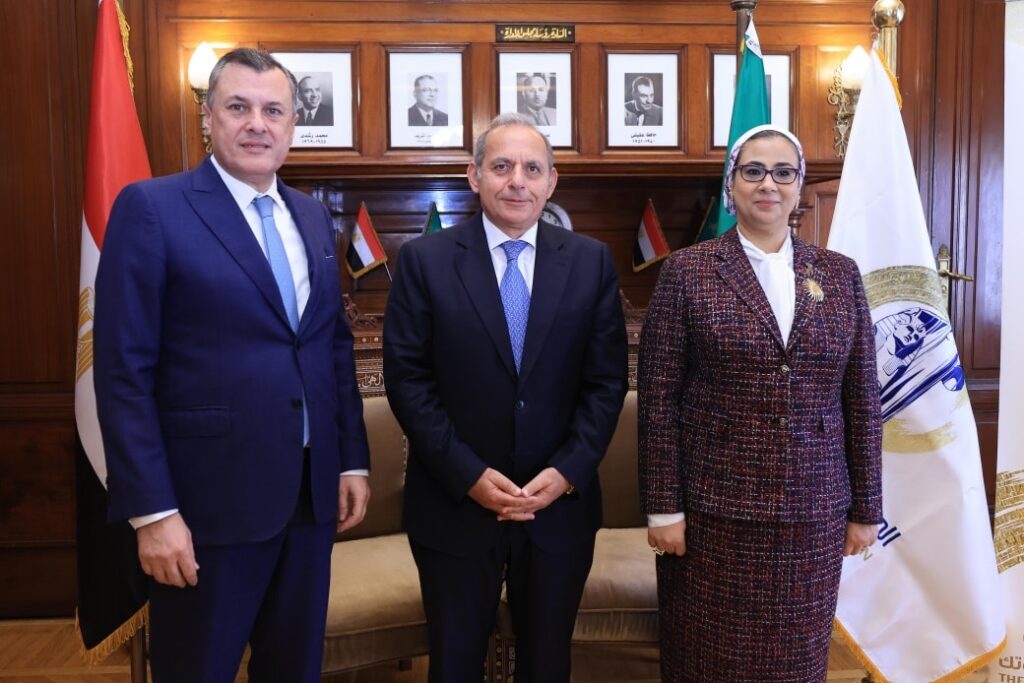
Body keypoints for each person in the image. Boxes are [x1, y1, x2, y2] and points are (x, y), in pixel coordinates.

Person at [93, 48, 371, 682]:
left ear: (293, 124)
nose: (257, 124)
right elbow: (123, 374)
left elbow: (330, 346)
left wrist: (350, 458)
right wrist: (154, 513)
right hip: (205, 510)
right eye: (238, 107)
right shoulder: (152, 209)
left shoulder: (310, 214)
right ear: (207, 118)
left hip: (308, 501)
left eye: (273, 111)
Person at [383, 112, 628, 682]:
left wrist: (566, 473)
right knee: (454, 664)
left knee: (547, 664)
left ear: (551, 181)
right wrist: (468, 474)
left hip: (557, 508)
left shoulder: (591, 261)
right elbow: (408, 381)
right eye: (501, 166)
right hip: (454, 506)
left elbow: (606, 383)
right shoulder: (425, 260)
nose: (517, 180)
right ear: (474, 176)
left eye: (532, 168)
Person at [638, 124, 882, 682]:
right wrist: (663, 509)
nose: (768, 184)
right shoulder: (687, 272)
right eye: (752, 171)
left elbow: (861, 399)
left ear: (798, 188)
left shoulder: (840, 274)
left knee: (795, 662)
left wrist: (866, 507)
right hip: (712, 516)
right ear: (731, 185)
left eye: (783, 172)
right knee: (706, 661)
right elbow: (658, 402)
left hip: (813, 513)